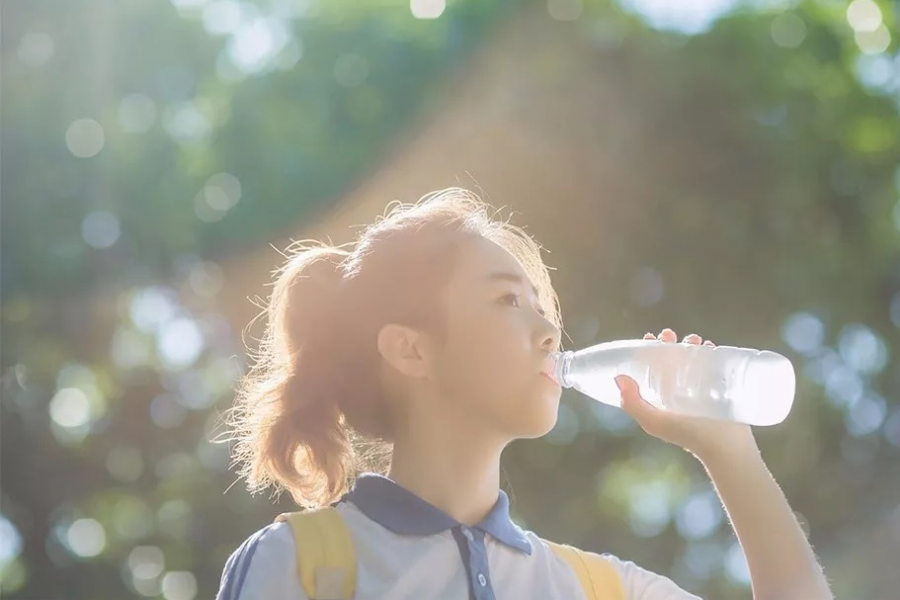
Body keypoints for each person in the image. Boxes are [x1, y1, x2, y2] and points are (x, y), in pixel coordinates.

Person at [215, 188, 833, 600]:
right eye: (509, 300)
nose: (548, 331)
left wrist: (731, 453)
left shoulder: (594, 587)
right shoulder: (301, 565)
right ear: (411, 349)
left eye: (543, 307)